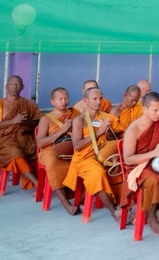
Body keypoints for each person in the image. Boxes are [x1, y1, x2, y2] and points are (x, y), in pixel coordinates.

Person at [121, 91, 159, 237]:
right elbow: (128, 159)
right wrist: (154, 153)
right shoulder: (133, 129)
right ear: (144, 109)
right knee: (153, 180)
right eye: (155, 110)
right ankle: (152, 219)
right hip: (138, 167)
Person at [64, 87, 121, 221]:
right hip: (84, 159)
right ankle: (114, 212)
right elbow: (77, 146)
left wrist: (108, 132)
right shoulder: (79, 120)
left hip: (103, 156)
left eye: (100, 98)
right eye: (94, 99)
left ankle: (124, 206)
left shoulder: (106, 118)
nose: (98, 102)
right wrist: (99, 133)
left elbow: (118, 138)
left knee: (121, 171)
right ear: (85, 100)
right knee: (97, 173)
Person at [0, 75, 42, 192]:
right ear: (6, 86)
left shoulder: (29, 104)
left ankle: (43, 183)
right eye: (11, 84)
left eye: (17, 84)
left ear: (22, 87)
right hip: (4, 141)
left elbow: (39, 122)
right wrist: (13, 121)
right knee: (15, 154)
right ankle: (38, 184)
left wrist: (25, 122)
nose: (14, 87)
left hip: (25, 139)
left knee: (42, 151)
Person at [36, 87, 80, 215]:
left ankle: (80, 200)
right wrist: (62, 130)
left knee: (87, 163)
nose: (64, 101)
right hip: (50, 150)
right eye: (60, 99)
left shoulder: (75, 114)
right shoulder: (46, 119)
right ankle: (66, 204)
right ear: (52, 102)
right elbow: (40, 143)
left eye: (66, 98)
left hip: (72, 148)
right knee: (53, 164)